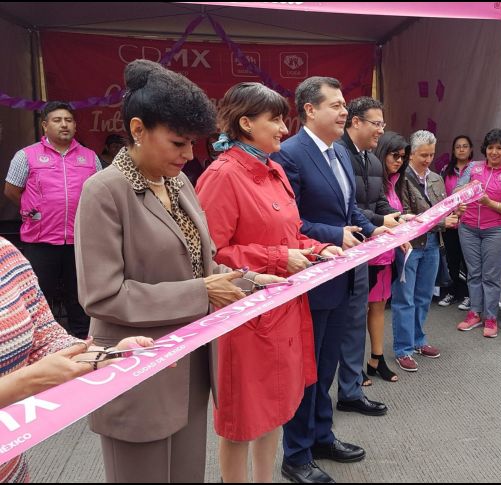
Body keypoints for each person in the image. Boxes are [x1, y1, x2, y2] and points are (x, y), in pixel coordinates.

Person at [74, 60, 281, 483]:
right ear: (137, 129)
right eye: (178, 143)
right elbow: (102, 294)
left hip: (189, 363)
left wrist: (250, 280)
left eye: (192, 144)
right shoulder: (104, 191)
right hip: (137, 366)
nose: (189, 155)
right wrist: (202, 293)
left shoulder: (179, 182)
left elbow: (201, 264)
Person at [195, 82, 344, 483]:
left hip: (284, 310)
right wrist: (279, 258)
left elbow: (290, 233)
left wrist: (315, 249)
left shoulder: (273, 169)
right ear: (245, 123)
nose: (283, 128)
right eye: (275, 119)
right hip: (246, 318)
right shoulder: (222, 175)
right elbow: (211, 255)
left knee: (276, 410)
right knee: (242, 421)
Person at [274, 76, 390, 484]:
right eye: (336, 106)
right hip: (312, 279)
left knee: (325, 368)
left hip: (344, 278)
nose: (344, 112)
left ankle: (322, 436)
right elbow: (287, 222)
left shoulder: (338, 153)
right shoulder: (291, 154)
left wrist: (376, 227)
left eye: (344, 106)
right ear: (309, 109)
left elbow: (349, 211)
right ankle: (297, 454)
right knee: (305, 372)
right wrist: (330, 235)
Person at [0, 236, 156, 483]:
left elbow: (46, 339)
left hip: (11, 468)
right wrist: (26, 382)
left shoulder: (6, 255)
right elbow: (33, 374)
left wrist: (107, 356)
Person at [3, 101, 102, 339]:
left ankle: (82, 342)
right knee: (40, 296)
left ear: (75, 126)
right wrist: (35, 211)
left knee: (79, 297)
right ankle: (41, 344)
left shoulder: (90, 158)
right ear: (45, 126)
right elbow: (11, 190)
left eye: (68, 120)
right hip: (41, 241)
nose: (64, 125)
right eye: (57, 120)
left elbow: (100, 194)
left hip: (79, 241)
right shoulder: (26, 156)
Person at [339, 97, 403, 390]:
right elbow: (345, 206)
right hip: (345, 247)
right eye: (376, 124)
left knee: (369, 309)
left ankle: (358, 374)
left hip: (373, 247)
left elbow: (378, 199)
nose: (380, 130)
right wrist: (380, 222)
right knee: (350, 317)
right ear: (356, 122)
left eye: (382, 124)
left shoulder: (373, 160)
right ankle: (350, 377)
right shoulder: (337, 154)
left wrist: (395, 219)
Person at [391, 130, 458, 372]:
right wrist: (443, 222)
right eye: (423, 155)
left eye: (431, 154)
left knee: (423, 296)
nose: (428, 159)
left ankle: (419, 340)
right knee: (404, 299)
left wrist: (453, 214)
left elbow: (443, 207)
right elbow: (408, 215)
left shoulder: (437, 178)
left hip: (432, 243)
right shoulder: (401, 178)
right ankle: (403, 348)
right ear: (411, 154)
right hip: (409, 245)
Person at [455, 129, 501, 338]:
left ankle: (491, 317)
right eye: (491, 147)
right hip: (468, 228)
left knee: (490, 276)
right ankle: (475, 313)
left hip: (497, 231)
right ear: (486, 149)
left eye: (500, 148)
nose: (494, 152)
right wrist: (464, 193)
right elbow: (456, 191)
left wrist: (488, 202)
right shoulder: (473, 168)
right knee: (473, 273)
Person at [367, 131, 410, 384]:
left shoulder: (395, 182)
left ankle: (376, 358)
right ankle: (352, 368)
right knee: (357, 315)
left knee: (379, 309)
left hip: (387, 258)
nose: (399, 161)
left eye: (403, 157)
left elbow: (395, 220)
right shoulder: (372, 184)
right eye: (395, 156)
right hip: (366, 258)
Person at [438, 135, 473, 311]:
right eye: (458, 146)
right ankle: (452, 292)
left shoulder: (476, 169)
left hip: (469, 222)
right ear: (453, 150)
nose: (461, 149)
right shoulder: (446, 170)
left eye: (465, 146)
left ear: (471, 149)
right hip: (450, 222)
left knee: (468, 261)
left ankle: (468, 295)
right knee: (452, 259)